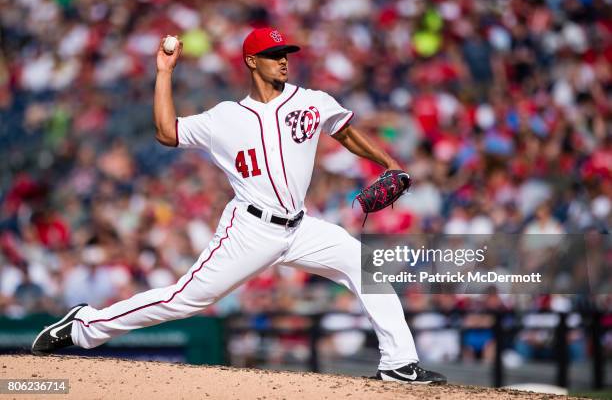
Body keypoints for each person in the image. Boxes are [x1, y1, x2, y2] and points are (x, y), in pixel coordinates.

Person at [32, 27, 446, 384]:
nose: (283, 61)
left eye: (285, 54)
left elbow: (345, 131)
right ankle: (85, 325)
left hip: (301, 228)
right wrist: (163, 74)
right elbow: (166, 132)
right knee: (185, 299)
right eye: (272, 55)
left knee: (364, 266)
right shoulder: (224, 117)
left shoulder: (311, 100)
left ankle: (399, 363)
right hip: (251, 229)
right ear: (251, 61)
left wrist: (389, 163)